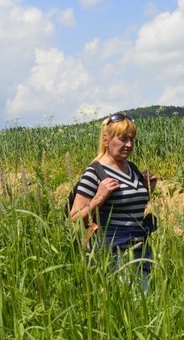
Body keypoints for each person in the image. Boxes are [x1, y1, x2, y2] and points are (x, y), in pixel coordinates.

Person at [69, 113, 158, 291]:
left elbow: (128, 207)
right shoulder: (94, 173)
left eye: (132, 139)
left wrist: (148, 189)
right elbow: (74, 219)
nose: (129, 145)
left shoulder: (131, 168)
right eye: (123, 139)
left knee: (143, 305)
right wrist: (99, 198)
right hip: (113, 253)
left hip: (140, 250)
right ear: (106, 139)